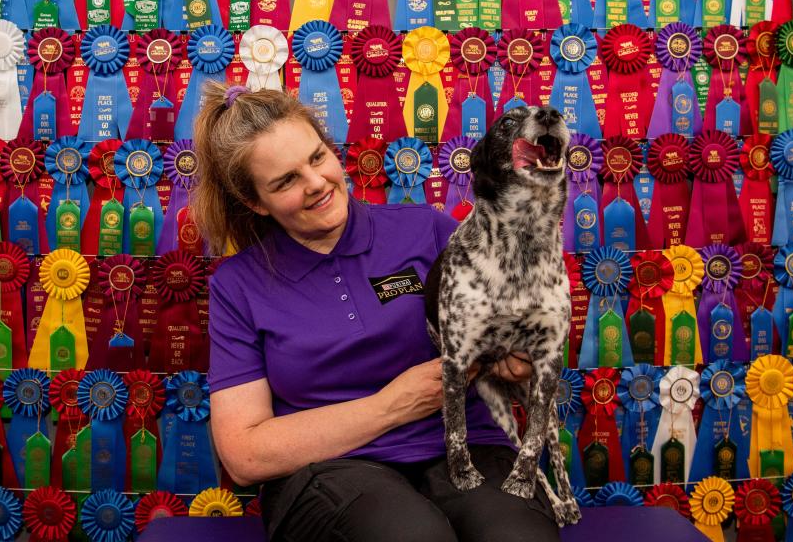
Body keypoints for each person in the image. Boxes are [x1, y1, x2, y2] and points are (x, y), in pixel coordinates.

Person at [195, 84, 561, 542]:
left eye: (317, 158)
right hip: (327, 472)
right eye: (285, 181)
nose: (315, 184)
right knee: (411, 536)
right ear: (254, 202)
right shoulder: (238, 285)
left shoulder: (426, 229)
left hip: (463, 448)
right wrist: (390, 407)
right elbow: (245, 457)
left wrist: (518, 359)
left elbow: (516, 329)